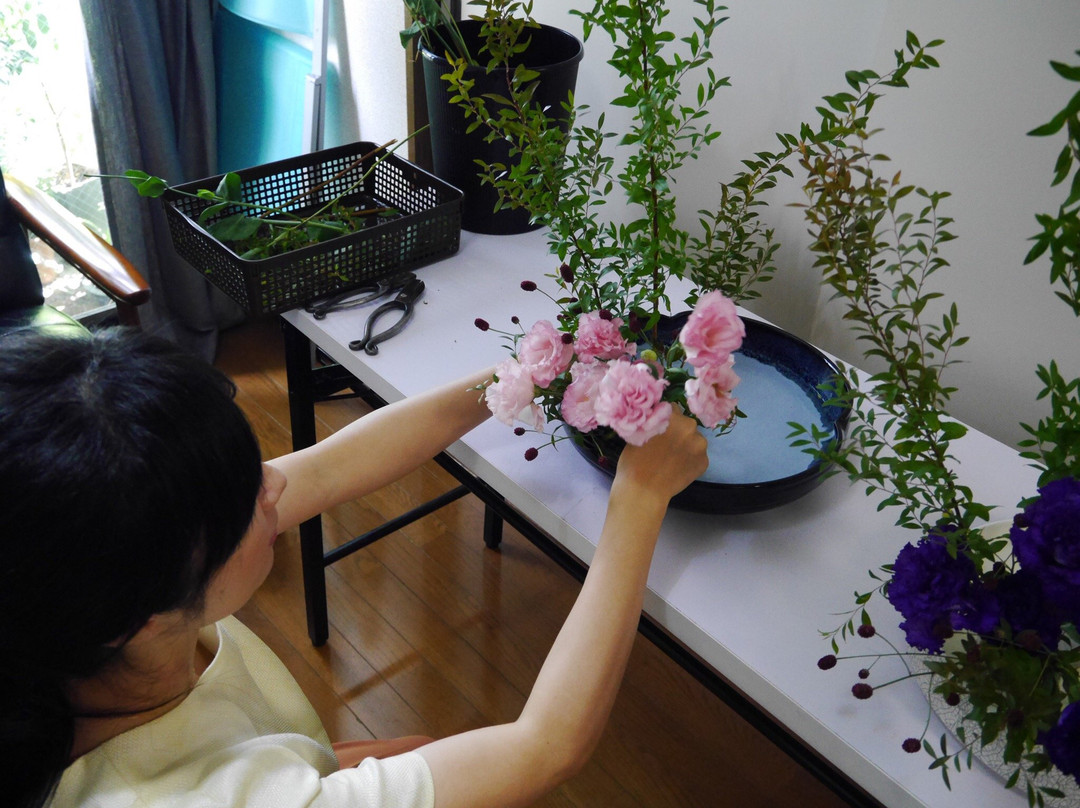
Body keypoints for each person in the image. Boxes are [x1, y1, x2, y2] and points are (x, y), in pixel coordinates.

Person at [0, 327, 708, 808]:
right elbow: (546, 747)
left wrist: (518, 376)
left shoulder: (79, 585)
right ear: (142, 614)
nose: (276, 485)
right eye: (251, 495)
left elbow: (337, 465)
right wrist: (641, 497)